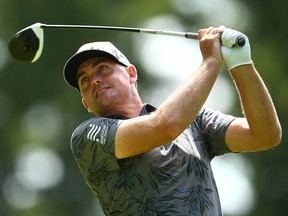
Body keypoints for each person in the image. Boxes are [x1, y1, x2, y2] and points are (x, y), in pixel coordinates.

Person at [63, 26, 282, 215]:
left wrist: (241, 63)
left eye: (102, 68)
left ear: (131, 74)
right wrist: (211, 61)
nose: (94, 80)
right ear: (86, 104)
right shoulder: (88, 136)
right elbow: (164, 127)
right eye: (84, 80)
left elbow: (265, 135)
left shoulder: (196, 122)